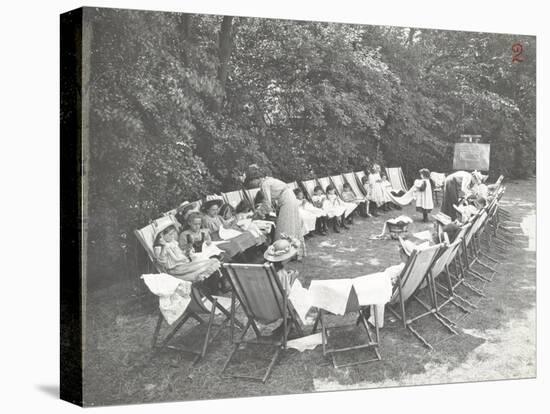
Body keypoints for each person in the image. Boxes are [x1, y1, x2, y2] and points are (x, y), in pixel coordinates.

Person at [245, 166, 305, 259]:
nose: (252, 184)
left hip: (287, 200)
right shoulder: (267, 181)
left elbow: (268, 203)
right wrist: (260, 210)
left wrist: (258, 213)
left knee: (285, 226)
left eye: (251, 182)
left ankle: (286, 253)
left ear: (255, 179)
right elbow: (268, 201)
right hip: (289, 197)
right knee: (291, 224)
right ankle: (293, 252)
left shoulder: (264, 184)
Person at [154, 225, 221, 283]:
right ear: (162, 235)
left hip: (183, 264)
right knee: (204, 266)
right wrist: (164, 247)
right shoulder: (159, 247)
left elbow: (179, 253)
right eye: (170, 234)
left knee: (211, 261)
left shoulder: (172, 242)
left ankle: (214, 284)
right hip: (176, 270)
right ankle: (209, 285)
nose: (172, 236)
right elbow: (162, 262)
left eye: (173, 234)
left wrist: (187, 251)